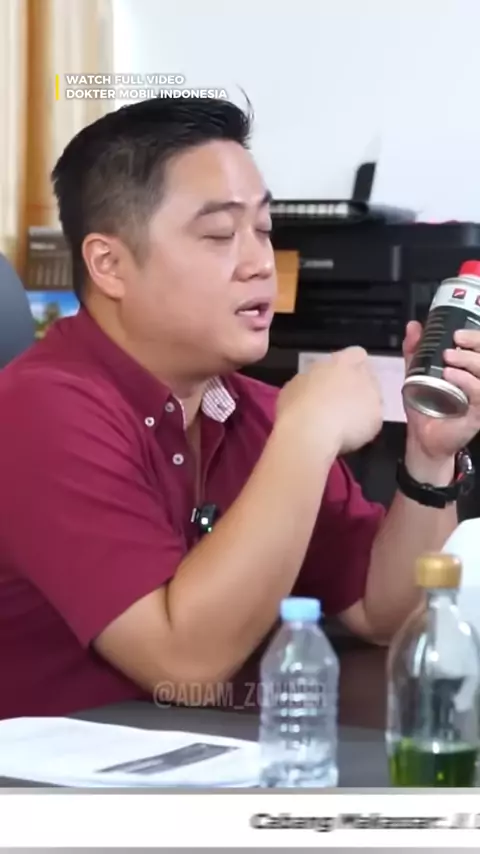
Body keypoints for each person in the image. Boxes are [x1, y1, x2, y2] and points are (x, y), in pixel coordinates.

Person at [0, 97, 479, 719]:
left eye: (265, 229)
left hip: (227, 756)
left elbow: (383, 612)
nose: (259, 264)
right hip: (60, 774)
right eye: (220, 235)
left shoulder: (250, 409)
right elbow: (182, 666)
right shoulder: (39, 410)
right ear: (109, 264)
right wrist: (304, 438)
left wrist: (429, 455)